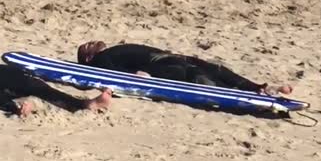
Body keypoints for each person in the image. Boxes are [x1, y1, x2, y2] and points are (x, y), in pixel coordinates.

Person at [77, 41, 293, 95]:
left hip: (162, 66)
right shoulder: (119, 49)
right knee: (214, 68)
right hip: (173, 57)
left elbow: (104, 75)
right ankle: (257, 87)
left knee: (199, 78)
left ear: (88, 58)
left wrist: (136, 75)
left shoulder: (101, 59)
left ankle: (241, 95)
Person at [0, 62, 111, 117]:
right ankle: (86, 104)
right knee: (46, 91)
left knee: (42, 95)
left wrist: (13, 109)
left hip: (17, 87)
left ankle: (85, 105)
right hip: (24, 77)